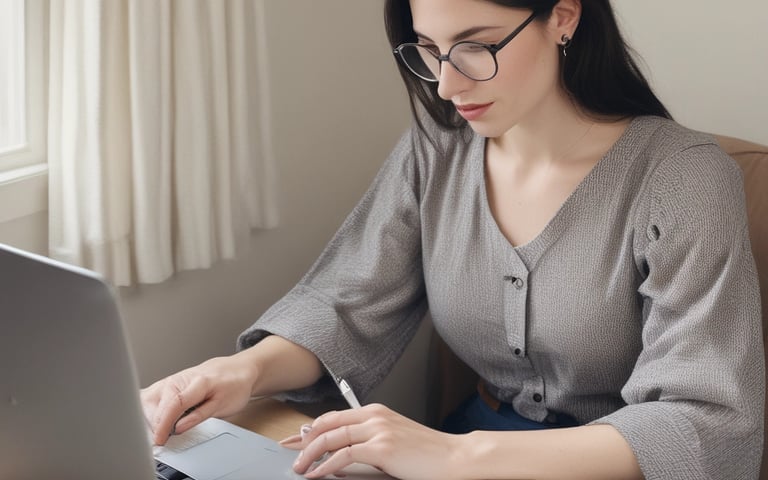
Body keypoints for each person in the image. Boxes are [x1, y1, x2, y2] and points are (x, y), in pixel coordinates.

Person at [141, 0, 765, 478]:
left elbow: (703, 420)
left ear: (564, 17)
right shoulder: (436, 151)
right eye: (429, 50)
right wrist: (241, 371)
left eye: (476, 47)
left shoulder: (683, 178)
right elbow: (347, 301)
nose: (446, 84)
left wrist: (456, 456)